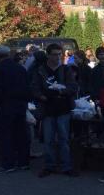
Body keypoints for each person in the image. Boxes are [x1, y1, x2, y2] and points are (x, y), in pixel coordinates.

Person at [31, 43, 79, 177]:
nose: (57, 57)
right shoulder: (41, 70)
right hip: (47, 108)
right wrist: (42, 96)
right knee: (48, 139)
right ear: (48, 55)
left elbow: (73, 87)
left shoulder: (66, 69)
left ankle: (66, 166)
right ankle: (49, 166)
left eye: (59, 54)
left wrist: (62, 90)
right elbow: (34, 88)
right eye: (54, 54)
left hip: (63, 108)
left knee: (64, 139)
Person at [0, 46, 31, 173]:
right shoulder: (20, 68)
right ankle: (23, 162)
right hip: (20, 105)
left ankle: (8, 163)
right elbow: (27, 86)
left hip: (5, 106)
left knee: (6, 135)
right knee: (21, 133)